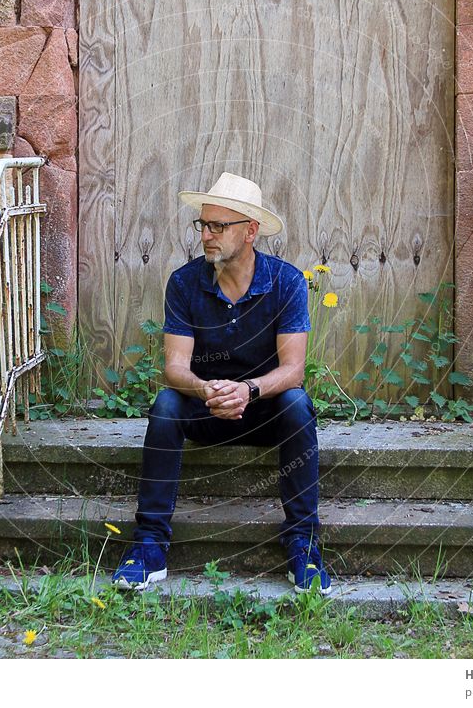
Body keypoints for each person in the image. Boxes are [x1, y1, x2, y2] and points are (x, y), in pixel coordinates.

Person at [111, 172, 331, 595]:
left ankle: (303, 544)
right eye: (203, 225)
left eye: (218, 226)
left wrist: (248, 390)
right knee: (165, 404)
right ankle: (150, 546)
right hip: (205, 408)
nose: (206, 236)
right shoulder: (185, 282)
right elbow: (174, 368)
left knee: (298, 404)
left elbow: (294, 370)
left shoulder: (285, 282)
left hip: (262, 411)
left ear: (250, 231)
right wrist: (206, 389)